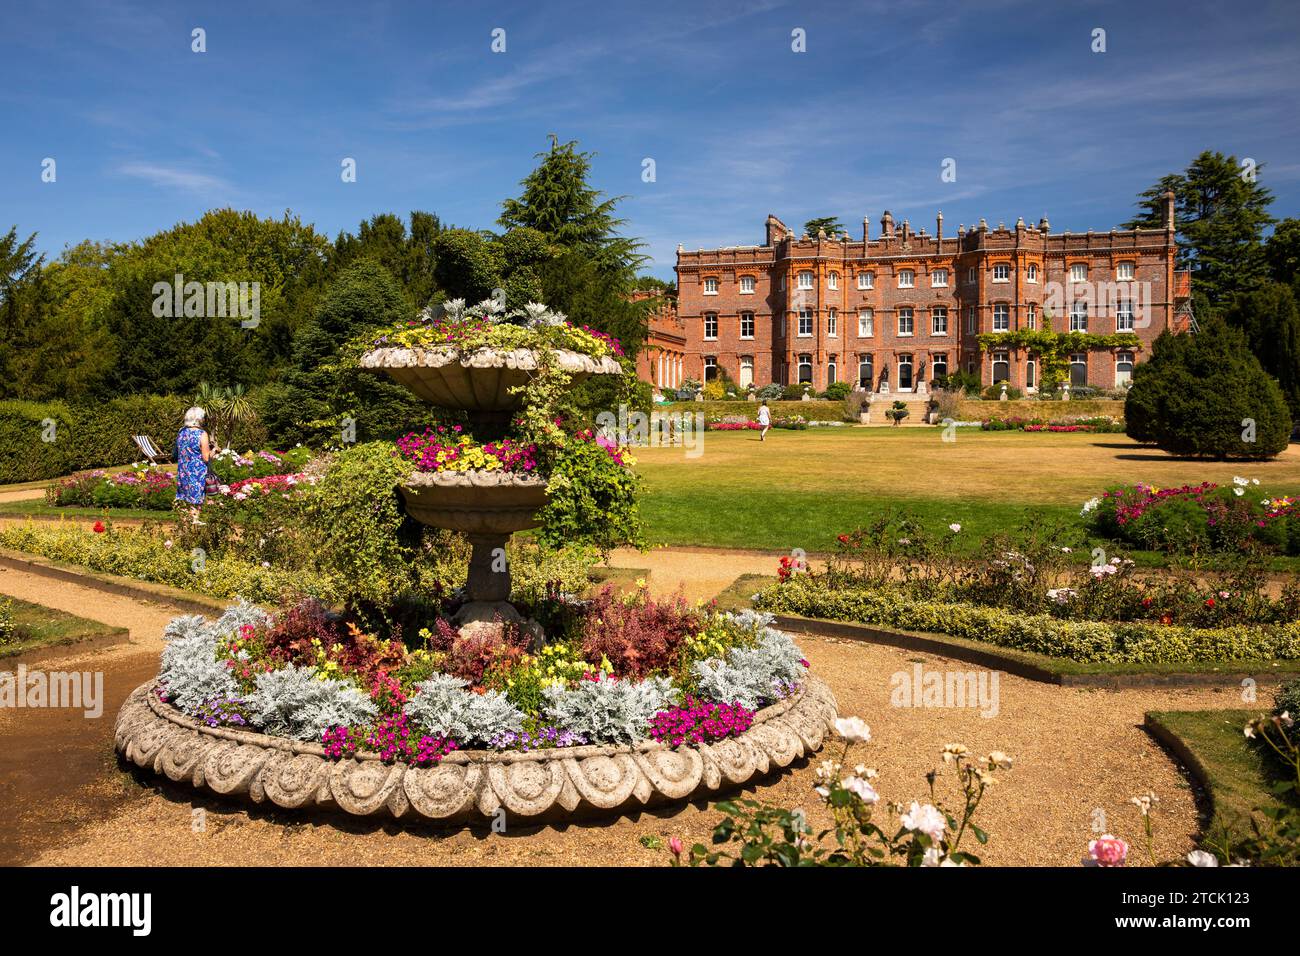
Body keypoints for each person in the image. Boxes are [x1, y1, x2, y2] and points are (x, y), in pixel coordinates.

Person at [175, 406, 212, 522]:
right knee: (196, 499)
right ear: (199, 419)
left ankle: (184, 525)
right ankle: (194, 524)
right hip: (197, 472)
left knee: (185, 498)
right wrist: (214, 451)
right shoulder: (201, 434)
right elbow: (206, 457)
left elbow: (177, 451)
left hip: (183, 471)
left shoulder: (181, 432)